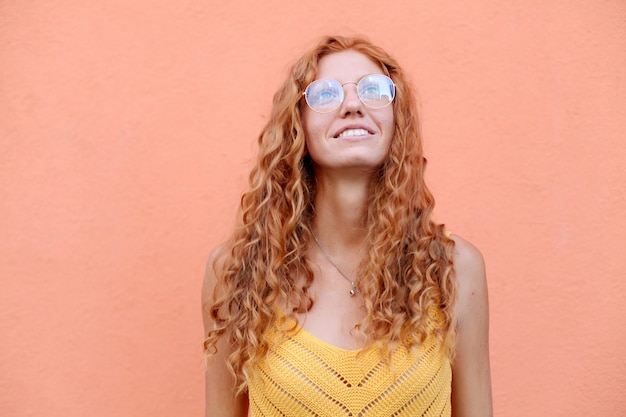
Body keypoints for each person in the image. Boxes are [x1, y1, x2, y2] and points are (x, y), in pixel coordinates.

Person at [202, 35, 493, 417]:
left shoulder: (455, 269)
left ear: (396, 122)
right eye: (325, 94)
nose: (353, 105)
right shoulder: (236, 272)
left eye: (374, 91)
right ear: (298, 127)